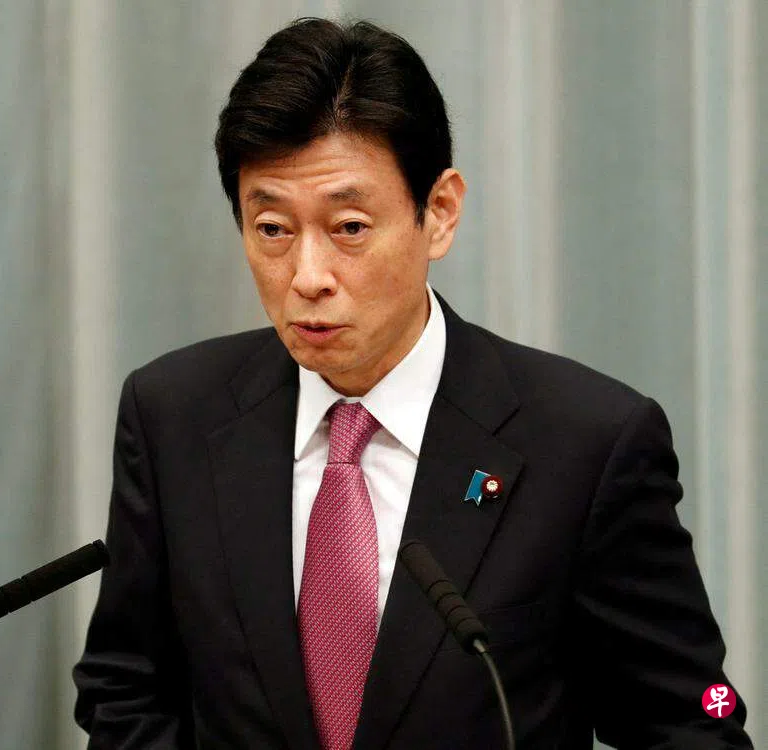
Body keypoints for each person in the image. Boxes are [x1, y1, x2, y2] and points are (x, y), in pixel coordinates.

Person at [72, 17, 752, 750]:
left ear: (440, 213)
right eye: (272, 229)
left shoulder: (587, 445)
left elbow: (692, 724)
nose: (307, 276)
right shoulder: (174, 416)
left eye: (350, 227)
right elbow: (125, 691)